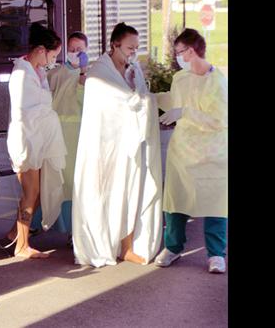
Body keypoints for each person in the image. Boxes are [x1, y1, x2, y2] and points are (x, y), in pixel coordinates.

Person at [72, 22, 163, 267]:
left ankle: (127, 246)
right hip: (105, 146)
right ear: (115, 45)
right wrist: (139, 100)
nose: (133, 52)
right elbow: (114, 106)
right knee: (109, 193)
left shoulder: (134, 69)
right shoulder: (98, 73)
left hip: (131, 144)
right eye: (129, 48)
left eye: (136, 48)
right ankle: (105, 243)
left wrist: (142, 94)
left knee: (132, 192)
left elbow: (139, 99)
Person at [154, 28, 228, 274]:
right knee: (176, 199)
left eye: (179, 52)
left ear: (192, 51)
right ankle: (173, 247)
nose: (177, 57)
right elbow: (175, 102)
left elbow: (218, 119)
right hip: (183, 150)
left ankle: (216, 254)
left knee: (215, 203)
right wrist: (151, 98)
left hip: (212, 152)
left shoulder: (217, 82)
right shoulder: (181, 79)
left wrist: (185, 112)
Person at [5, 22, 67, 258]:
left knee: (37, 193)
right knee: (30, 194)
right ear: (41, 50)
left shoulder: (36, 71)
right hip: (26, 140)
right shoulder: (22, 73)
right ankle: (22, 246)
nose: (53, 60)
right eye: (53, 55)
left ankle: (15, 234)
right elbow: (27, 111)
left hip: (36, 139)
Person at [30, 31, 89, 244]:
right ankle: (37, 222)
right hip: (56, 132)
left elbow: (86, 101)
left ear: (86, 51)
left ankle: (76, 230)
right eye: (71, 50)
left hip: (79, 132)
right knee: (52, 178)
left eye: (79, 50)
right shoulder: (54, 74)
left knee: (75, 181)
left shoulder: (90, 76)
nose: (75, 53)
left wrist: (83, 72)